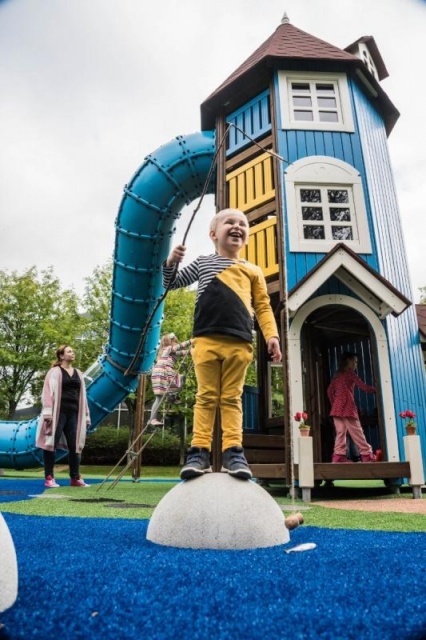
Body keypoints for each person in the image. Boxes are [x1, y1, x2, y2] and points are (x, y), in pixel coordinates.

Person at [163, 208, 282, 481]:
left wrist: (271, 336)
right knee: (206, 397)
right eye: (230, 222)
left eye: (243, 224)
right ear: (213, 234)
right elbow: (172, 283)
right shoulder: (204, 262)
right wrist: (171, 261)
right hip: (205, 339)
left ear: (247, 236)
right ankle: (198, 452)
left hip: (240, 342)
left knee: (231, 398)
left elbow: (263, 307)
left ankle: (234, 453)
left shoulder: (252, 270)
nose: (238, 226)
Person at [36, 345, 91, 487]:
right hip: (57, 413)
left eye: (73, 351)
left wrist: (86, 415)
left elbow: (83, 396)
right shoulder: (54, 372)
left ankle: (75, 478)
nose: (73, 353)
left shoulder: (78, 373)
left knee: (76, 445)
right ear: (61, 356)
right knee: (50, 444)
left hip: (74, 413)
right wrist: (47, 412)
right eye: (69, 351)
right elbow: (47, 392)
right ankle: (49, 478)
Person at [327, 351, 376, 463]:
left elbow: (329, 391)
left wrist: (334, 403)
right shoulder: (350, 374)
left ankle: (338, 456)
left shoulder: (337, 376)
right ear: (348, 362)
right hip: (348, 407)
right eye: (355, 362)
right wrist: (375, 390)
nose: (356, 364)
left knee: (341, 432)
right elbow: (362, 386)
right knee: (357, 431)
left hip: (336, 409)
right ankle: (366, 454)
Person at [148, 333, 192, 427]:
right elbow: (180, 346)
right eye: (175, 341)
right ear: (171, 342)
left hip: (164, 372)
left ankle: (171, 396)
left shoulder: (172, 352)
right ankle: (152, 419)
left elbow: (185, 352)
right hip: (162, 372)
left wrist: (194, 351)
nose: (176, 342)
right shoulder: (167, 349)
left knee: (180, 380)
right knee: (159, 397)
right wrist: (191, 341)